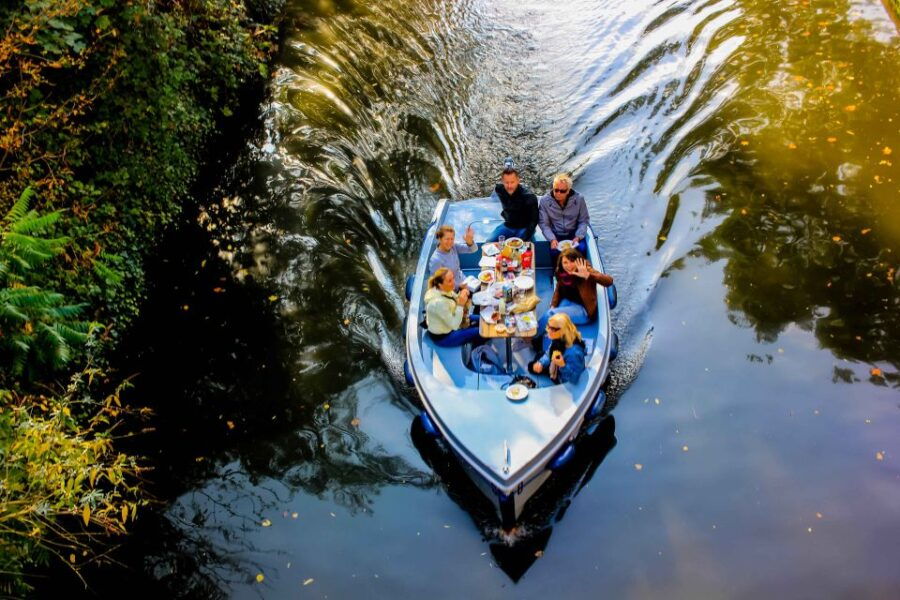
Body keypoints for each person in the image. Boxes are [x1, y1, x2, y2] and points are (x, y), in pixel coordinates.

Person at [536, 247, 614, 334]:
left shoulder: (585, 269)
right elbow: (558, 289)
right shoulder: (561, 272)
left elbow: (609, 281)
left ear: (578, 261)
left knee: (551, 314)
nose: (569, 266)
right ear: (561, 264)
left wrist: (588, 275)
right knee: (555, 316)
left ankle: (533, 337)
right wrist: (553, 305)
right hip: (569, 301)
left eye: (572, 261)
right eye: (565, 262)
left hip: (584, 309)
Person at [424, 267, 483, 347]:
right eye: (449, 281)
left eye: (453, 279)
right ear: (440, 285)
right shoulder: (438, 303)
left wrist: (462, 291)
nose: (453, 283)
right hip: (445, 336)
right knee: (480, 332)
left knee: (483, 318)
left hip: (453, 318)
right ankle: (476, 347)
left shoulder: (445, 289)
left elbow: (455, 299)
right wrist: (461, 305)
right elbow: (455, 325)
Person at [538, 173, 590, 265]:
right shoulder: (544, 201)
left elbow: (583, 220)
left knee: (582, 249)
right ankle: (556, 274)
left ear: (568, 191)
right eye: (556, 190)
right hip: (556, 234)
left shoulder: (579, 199)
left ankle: (579, 272)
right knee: (554, 252)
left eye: (562, 191)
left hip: (574, 233)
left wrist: (578, 236)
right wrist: (552, 239)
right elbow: (544, 224)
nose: (558, 193)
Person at [487, 159, 539, 242]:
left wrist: (524, 238)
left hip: (524, 227)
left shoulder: (529, 197)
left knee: (522, 249)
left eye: (512, 182)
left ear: (518, 181)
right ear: (502, 182)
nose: (509, 186)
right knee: (488, 243)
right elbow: (493, 197)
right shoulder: (499, 189)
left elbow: (534, 221)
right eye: (506, 182)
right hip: (508, 225)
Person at [528, 313, 586, 384]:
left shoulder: (574, 353)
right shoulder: (559, 339)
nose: (548, 330)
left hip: (562, 377)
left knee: (532, 365)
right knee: (537, 359)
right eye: (548, 326)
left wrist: (562, 365)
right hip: (556, 364)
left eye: (552, 329)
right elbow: (549, 352)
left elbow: (574, 379)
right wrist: (541, 363)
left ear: (563, 331)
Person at [428, 224, 477, 290]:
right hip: (452, 291)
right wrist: (459, 286)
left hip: (464, 280)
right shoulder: (436, 260)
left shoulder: (453, 247)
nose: (450, 242)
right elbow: (437, 284)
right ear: (440, 239)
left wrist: (470, 242)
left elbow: (473, 250)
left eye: (452, 239)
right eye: (447, 239)